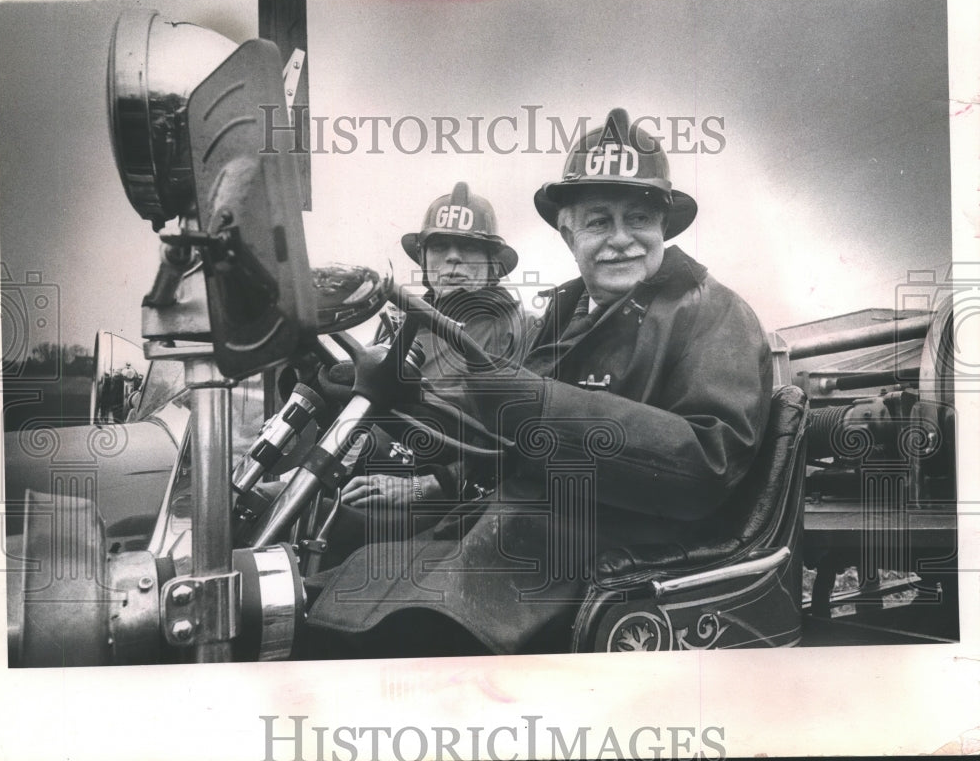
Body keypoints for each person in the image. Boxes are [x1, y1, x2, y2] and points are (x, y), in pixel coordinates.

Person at [303, 109, 772, 657]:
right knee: (312, 597)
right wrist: (404, 399)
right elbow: (498, 439)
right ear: (567, 231)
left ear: (662, 227)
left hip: (602, 562)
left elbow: (707, 464)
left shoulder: (714, 312)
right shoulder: (562, 314)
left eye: (638, 219)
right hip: (506, 539)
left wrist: (541, 406)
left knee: (377, 642)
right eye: (599, 222)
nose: (621, 239)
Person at [336, 182, 525, 509]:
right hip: (359, 461)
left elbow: (514, 445)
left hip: (438, 499)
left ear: (493, 263)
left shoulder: (519, 329)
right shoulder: (397, 324)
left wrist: (425, 487)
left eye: (467, 247)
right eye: (440, 247)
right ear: (423, 259)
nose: (453, 259)